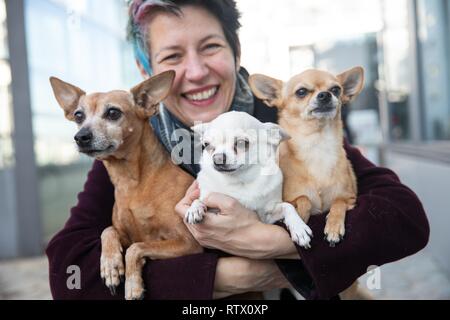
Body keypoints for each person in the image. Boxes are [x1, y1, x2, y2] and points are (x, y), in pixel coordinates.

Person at [46, 0, 430, 300]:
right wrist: (226, 277)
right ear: (147, 70)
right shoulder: (134, 144)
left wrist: (278, 246)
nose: (196, 72)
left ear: (236, 52)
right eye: (172, 57)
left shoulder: (285, 120)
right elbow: (69, 275)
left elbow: (403, 219)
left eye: (210, 47)